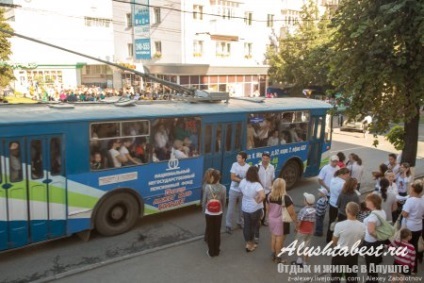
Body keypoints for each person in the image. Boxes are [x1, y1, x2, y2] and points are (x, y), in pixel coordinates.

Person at [331, 202, 365, 283]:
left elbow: (334, 241)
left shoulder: (339, 225)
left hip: (340, 252)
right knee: (352, 275)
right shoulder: (363, 226)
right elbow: (361, 241)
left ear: (347, 211)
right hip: (353, 253)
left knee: (336, 276)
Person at [266, 178, 296, 263]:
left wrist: (269, 217)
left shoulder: (269, 195)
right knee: (279, 239)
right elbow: (292, 213)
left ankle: (273, 254)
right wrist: (296, 223)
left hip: (271, 219)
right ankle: (278, 257)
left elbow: (267, 209)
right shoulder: (285, 198)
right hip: (280, 221)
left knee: (273, 237)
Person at [239, 166, 265, 252]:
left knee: (246, 225)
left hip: (245, 207)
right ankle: (253, 242)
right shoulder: (257, 184)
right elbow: (263, 196)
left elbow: (241, 191)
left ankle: (248, 243)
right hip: (255, 208)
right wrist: (257, 201)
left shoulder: (243, 181)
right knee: (254, 225)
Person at [202, 169, 226, 257]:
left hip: (209, 212)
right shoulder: (223, 188)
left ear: (212, 177)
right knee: (217, 231)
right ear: (219, 178)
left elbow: (204, 201)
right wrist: (221, 210)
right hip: (218, 212)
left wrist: (204, 210)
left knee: (210, 232)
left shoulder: (207, 187)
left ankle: (211, 252)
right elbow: (223, 202)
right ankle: (217, 250)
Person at [401, 181, 424, 274]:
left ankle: (407, 267)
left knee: (407, 247)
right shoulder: (422, 199)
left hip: (409, 227)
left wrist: (403, 211)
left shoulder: (410, 200)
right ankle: (414, 268)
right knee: (414, 246)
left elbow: (405, 214)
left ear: (413, 190)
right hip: (418, 226)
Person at [363, 193, 386, 283]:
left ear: (373, 203)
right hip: (378, 242)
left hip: (371, 243)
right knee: (374, 264)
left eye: (367, 201)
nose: (366, 202)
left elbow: (371, 231)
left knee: (370, 265)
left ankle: (372, 280)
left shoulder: (373, 216)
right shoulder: (381, 211)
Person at [225, 151, 250, 234]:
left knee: (242, 208)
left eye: (239, 157)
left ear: (243, 159)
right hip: (233, 190)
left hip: (243, 191)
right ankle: (228, 225)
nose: (237, 158)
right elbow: (232, 177)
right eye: (237, 157)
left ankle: (240, 222)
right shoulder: (234, 165)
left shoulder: (248, 167)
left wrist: (240, 180)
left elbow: (248, 178)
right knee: (230, 208)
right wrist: (242, 180)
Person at [327, 167, 350, 243]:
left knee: (331, 221)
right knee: (339, 223)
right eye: (347, 175)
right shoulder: (343, 183)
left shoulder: (333, 179)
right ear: (342, 175)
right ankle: (336, 239)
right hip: (338, 205)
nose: (348, 177)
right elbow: (344, 194)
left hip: (331, 202)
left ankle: (328, 238)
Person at [293, 193, 316, 267]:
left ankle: (299, 260)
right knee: (307, 246)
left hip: (302, 231)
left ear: (306, 201)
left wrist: (296, 228)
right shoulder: (314, 210)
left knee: (298, 245)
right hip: (310, 231)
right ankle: (305, 262)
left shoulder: (303, 210)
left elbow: (300, 221)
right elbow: (313, 221)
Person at [257, 152, 275, 227]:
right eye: (263, 158)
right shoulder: (257, 166)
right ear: (261, 158)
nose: (265, 160)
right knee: (258, 206)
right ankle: (258, 221)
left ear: (269, 159)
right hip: (259, 191)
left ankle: (263, 220)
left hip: (268, 190)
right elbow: (255, 178)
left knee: (265, 207)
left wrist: (272, 190)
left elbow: (272, 179)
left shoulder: (272, 167)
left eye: (267, 158)